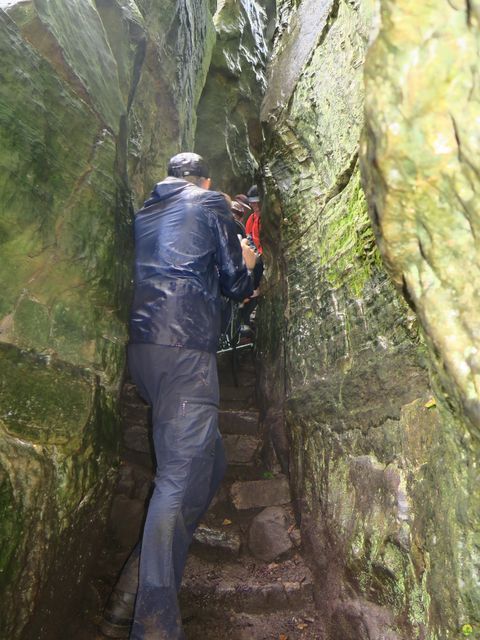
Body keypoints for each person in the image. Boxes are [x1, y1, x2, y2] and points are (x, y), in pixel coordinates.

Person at [100, 152, 257, 640]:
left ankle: (130, 591)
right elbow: (235, 282)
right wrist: (252, 263)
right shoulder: (210, 203)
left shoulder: (145, 212)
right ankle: (153, 627)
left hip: (145, 353)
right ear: (205, 180)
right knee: (176, 478)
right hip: (185, 350)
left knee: (208, 468)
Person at [245, 185, 262, 254]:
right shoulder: (251, 219)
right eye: (252, 202)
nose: (253, 204)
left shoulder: (269, 217)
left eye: (256, 201)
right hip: (258, 256)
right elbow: (249, 240)